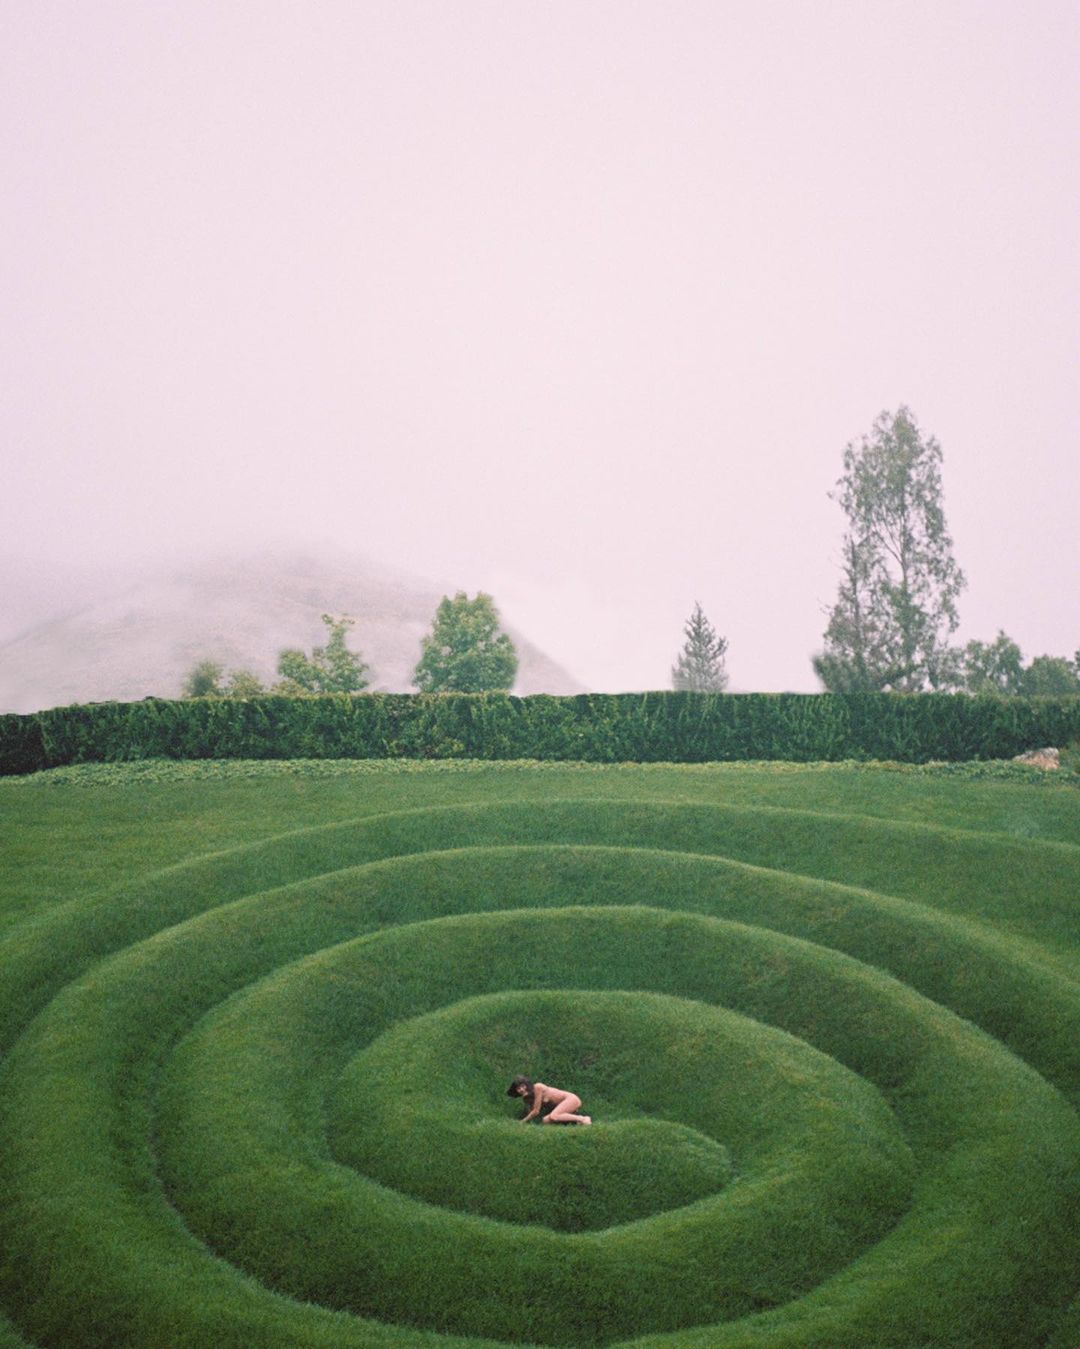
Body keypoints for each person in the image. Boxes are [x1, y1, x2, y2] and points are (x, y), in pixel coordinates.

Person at [507, 1075, 592, 1125]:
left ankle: (583, 1119)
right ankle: (574, 1122)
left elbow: (536, 1111)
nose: (521, 1089)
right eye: (518, 1088)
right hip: (562, 1105)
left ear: (526, 1084)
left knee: (554, 1116)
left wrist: (522, 1122)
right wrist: (527, 1100)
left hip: (571, 1099)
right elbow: (531, 1112)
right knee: (545, 1121)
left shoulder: (538, 1087)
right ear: (516, 1091)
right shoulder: (528, 1097)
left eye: (522, 1086)